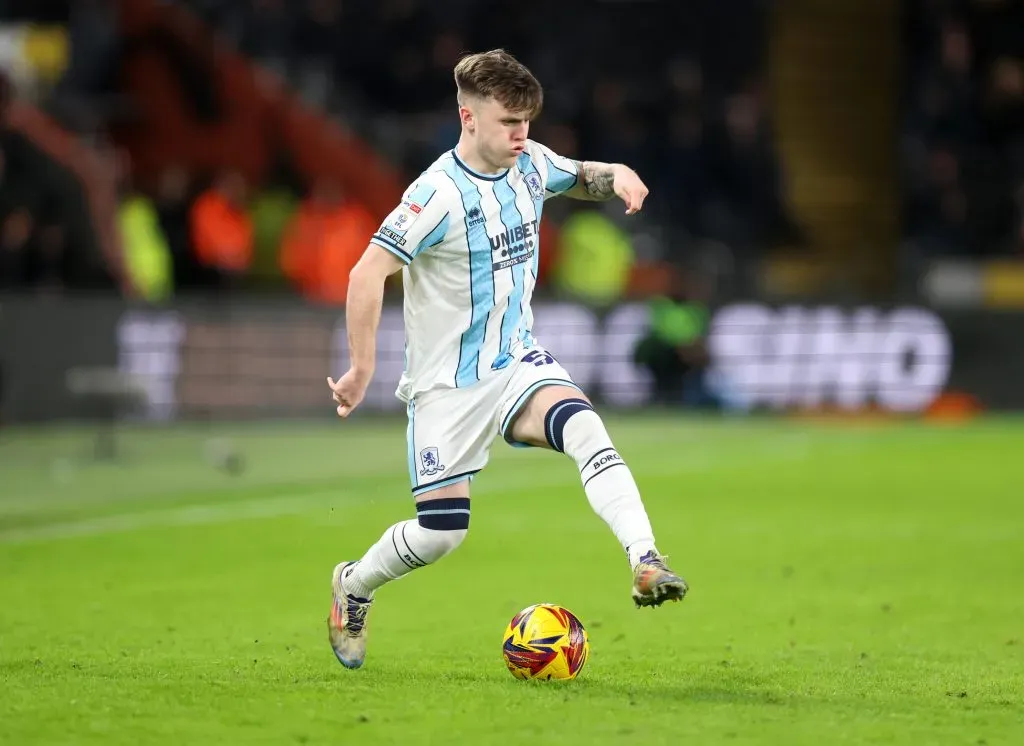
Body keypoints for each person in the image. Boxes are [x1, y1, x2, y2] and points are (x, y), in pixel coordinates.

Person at [325, 50, 688, 670]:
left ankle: (645, 560)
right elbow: (366, 275)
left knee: (585, 428)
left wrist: (617, 172)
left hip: (517, 361)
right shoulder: (435, 196)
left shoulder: (530, 162)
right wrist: (362, 369)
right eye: (508, 123)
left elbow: (577, 174)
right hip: (447, 388)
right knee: (442, 534)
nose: (522, 135)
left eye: (527, 121)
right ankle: (354, 585)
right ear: (468, 118)